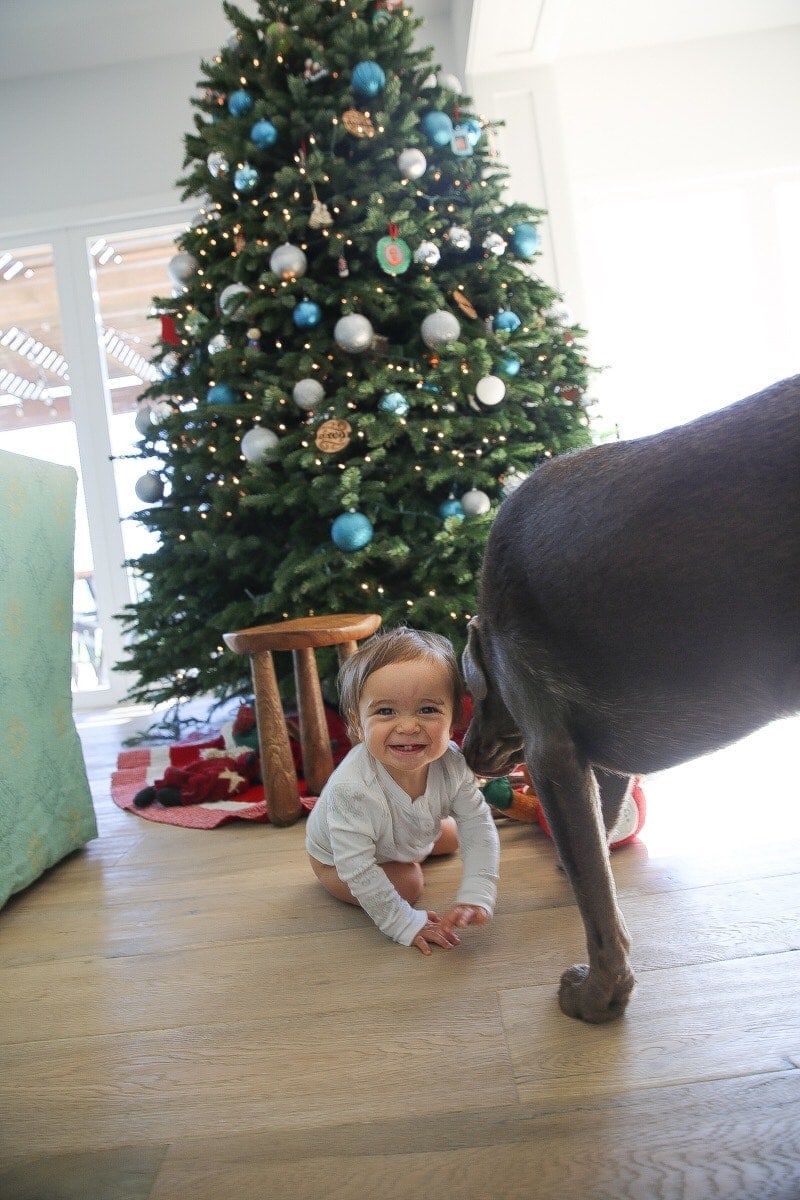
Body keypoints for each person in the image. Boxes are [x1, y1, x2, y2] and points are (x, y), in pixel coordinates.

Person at [306, 626, 500, 955]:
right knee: (410, 883)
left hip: (402, 834)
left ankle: (411, 847)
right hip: (339, 861)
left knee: (454, 835)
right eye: (385, 711)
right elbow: (357, 867)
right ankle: (377, 869)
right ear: (357, 722)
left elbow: (478, 824)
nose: (408, 727)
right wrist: (403, 922)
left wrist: (477, 892)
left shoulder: (451, 764)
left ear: (454, 718)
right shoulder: (352, 790)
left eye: (427, 709)